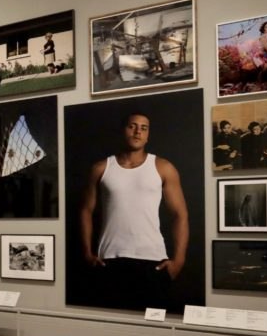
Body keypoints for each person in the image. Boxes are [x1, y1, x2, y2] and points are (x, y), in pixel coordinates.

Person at [79, 112, 189, 312]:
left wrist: (179, 260)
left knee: (153, 326)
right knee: (111, 326)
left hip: (153, 262)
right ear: (123, 131)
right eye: (132, 126)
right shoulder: (101, 168)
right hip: (109, 260)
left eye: (143, 128)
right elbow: (86, 211)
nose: (138, 131)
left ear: (148, 135)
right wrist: (87, 253)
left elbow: (180, 215)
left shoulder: (163, 167)